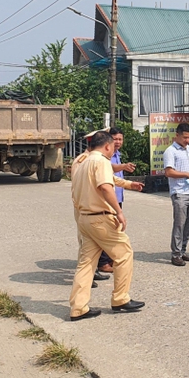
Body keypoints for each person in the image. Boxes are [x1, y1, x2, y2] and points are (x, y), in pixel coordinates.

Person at [69, 131, 145, 321]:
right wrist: (119, 211)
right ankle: (120, 298)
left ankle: (78, 308)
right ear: (107, 146)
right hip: (100, 218)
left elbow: (109, 180)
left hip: (85, 218)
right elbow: (105, 186)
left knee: (86, 264)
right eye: (113, 146)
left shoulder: (82, 162)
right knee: (124, 253)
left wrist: (129, 184)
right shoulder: (101, 161)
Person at [96, 127, 138, 275]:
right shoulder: (104, 156)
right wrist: (123, 166)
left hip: (117, 197)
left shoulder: (117, 153)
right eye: (115, 139)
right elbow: (110, 168)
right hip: (108, 199)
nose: (118, 142)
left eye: (120, 139)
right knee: (107, 231)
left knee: (115, 229)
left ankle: (109, 259)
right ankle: (103, 262)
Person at [163, 122, 189, 266]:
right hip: (180, 192)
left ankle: (183, 250)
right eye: (185, 137)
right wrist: (187, 174)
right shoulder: (170, 151)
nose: (187, 140)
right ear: (177, 135)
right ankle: (176, 254)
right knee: (179, 224)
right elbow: (168, 172)